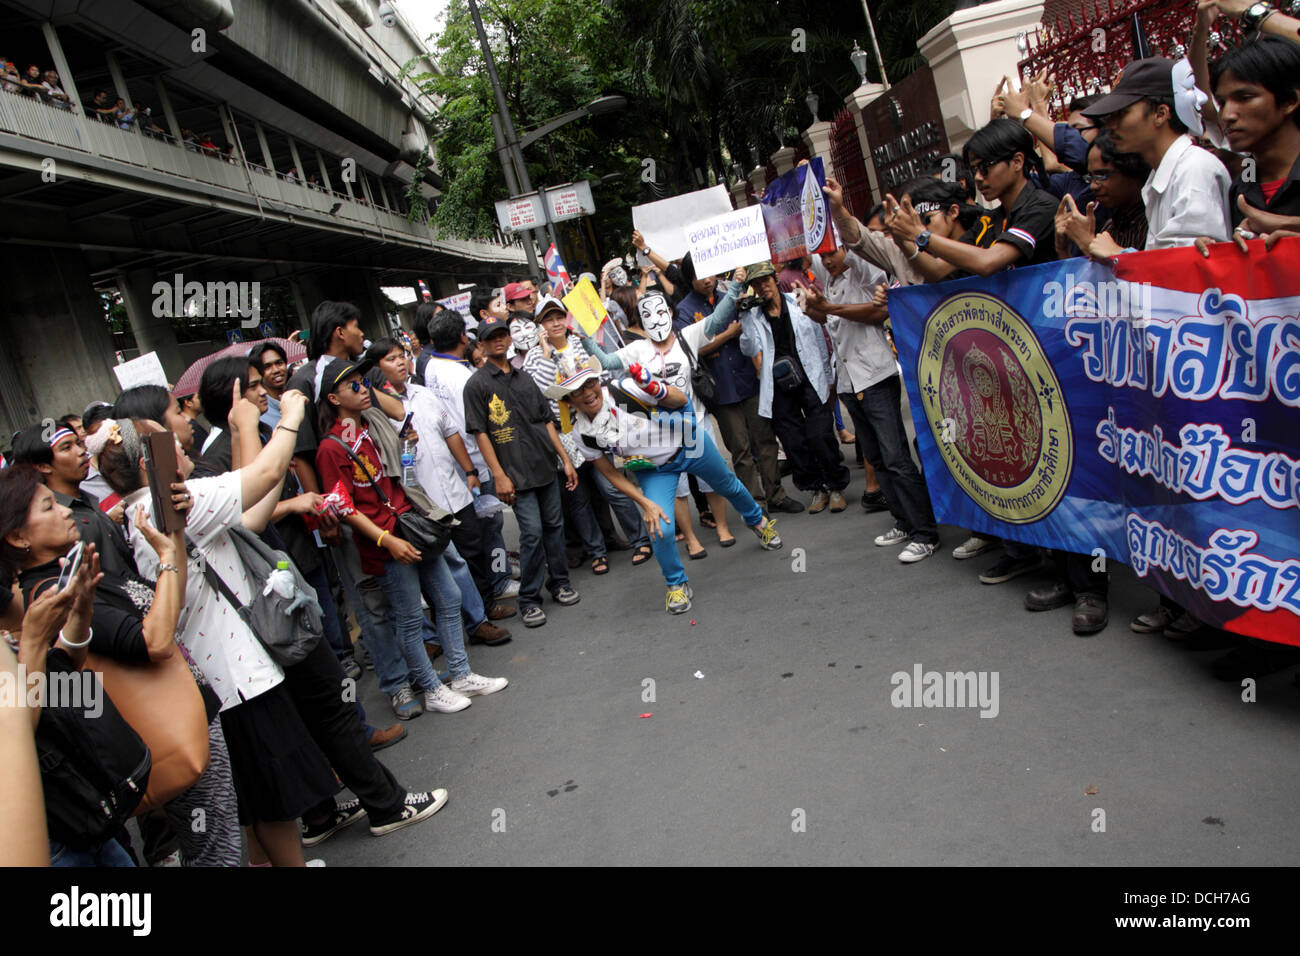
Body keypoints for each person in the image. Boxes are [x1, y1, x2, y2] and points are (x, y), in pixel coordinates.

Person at [104, 402, 448, 856]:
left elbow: (250, 515)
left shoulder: (158, 506)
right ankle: (369, 813)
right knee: (267, 805)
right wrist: (284, 416)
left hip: (239, 672)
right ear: (151, 459)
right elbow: (263, 477)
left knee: (268, 801)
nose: (181, 440)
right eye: (166, 439)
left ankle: (325, 819)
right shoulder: (167, 506)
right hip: (238, 679)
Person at [14, 470, 242, 867]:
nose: (66, 511)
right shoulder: (48, 593)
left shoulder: (72, 573)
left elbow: (74, 664)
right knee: (213, 850)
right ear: (18, 538)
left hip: (179, 715)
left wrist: (172, 543)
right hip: (166, 728)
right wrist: (169, 559)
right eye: (49, 506)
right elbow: (153, 641)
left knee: (216, 839)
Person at [315, 355, 509, 715]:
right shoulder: (330, 448)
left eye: (363, 381)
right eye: (353, 385)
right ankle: (432, 688)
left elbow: (403, 481)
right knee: (406, 616)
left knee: (449, 597)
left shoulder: (373, 427)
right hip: (385, 542)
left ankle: (461, 673)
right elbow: (344, 507)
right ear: (333, 398)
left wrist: (407, 446)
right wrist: (386, 541)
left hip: (411, 525)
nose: (363, 389)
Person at [558, 366, 783, 613]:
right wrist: (646, 503)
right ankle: (676, 583)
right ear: (569, 401)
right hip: (655, 470)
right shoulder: (582, 433)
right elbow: (611, 473)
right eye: (577, 391)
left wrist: (652, 386)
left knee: (728, 485)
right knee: (660, 529)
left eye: (590, 384)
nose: (588, 393)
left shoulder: (623, 389)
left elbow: (681, 399)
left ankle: (757, 522)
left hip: (689, 442)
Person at [365, 338, 511, 646]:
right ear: (376, 370)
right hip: (419, 504)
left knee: (472, 553)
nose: (402, 362)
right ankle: (439, 634)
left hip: (454, 491)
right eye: (391, 359)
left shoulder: (425, 394)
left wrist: (469, 471)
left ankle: (481, 613)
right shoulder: (374, 412)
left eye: (402, 356)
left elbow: (451, 434)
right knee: (435, 567)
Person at [802, 244, 941, 564]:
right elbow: (826, 314)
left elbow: (878, 312)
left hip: (875, 376)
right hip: (850, 380)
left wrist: (831, 308)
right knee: (877, 459)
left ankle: (925, 532)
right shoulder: (830, 278)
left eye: (832, 254)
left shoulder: (866, 270)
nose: (827, 261)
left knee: (896, 458)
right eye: (822, 257)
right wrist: (814, 308)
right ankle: (904, 522)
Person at [464, 314, 582, 629]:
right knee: (532, 534)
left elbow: (546, 421)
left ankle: (559, 582)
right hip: (514, 474)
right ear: (482, 345)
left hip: (545, 465)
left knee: (555, 527)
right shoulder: (477, 385)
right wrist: (498, 474)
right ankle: (529, 599)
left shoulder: (525, 378)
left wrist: (565, 459)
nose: (499, 340)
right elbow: (480, 433)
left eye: (502, 334)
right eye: (491, 337)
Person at [522, 296, 655, 570]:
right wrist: (547, 354)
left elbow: (596, 381)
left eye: (559, 316)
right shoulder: (534, 357)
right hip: (561, 434)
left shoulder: (579, 344)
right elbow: (542, 393)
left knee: (612, 485)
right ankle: (596, 551)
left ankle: (640, 538)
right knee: (578, 497)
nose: (556, 323)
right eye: (548, 319)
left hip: (594, 424)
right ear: (540, 325)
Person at [1075, 56, 1231, 256]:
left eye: (1121, 113)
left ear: (1160, 113)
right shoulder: (1162, 174)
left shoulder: (1193, 169)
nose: (1111, 125)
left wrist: (1118, 255)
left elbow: (1190, 268)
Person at [421, 307, 518, 615]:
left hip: (461, 461)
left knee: (483, 526)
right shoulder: (462, 376)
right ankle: (500, 578)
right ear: (464, 336)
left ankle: (496, 576)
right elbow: (478, 424)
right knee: (492, 524)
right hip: (477, 459)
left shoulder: (431, 367)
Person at [8, 424, 137, 580]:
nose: (81, 451)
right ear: (43, 466)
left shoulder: (87, 501)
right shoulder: (60, 524)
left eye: (78, 443)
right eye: (66, 448)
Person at [249, 341, 291, 430]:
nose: (276, 370)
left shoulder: (297, 397)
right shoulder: (260, 415)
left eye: (279, 363)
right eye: (267, 367)